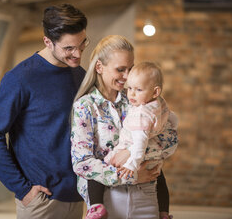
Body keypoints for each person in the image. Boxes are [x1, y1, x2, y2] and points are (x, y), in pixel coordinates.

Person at [0, 4, 88, 219]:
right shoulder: (20, 78)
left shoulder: (80, 75)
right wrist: (23, 189)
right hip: (41, 200)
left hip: (77, 196)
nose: (77, 54)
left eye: (82, 43)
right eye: (68, 48)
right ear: (47, 41)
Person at [71, 35, 178, 219]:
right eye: (121, 69)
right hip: (107, 198)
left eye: (131, 68)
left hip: (147, 193)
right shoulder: (85, 106)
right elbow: (82, 163)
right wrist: (130, 175)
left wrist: (129, 152)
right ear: (99, 67)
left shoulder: (139, 100)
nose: (128, 76)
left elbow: (170, 141)